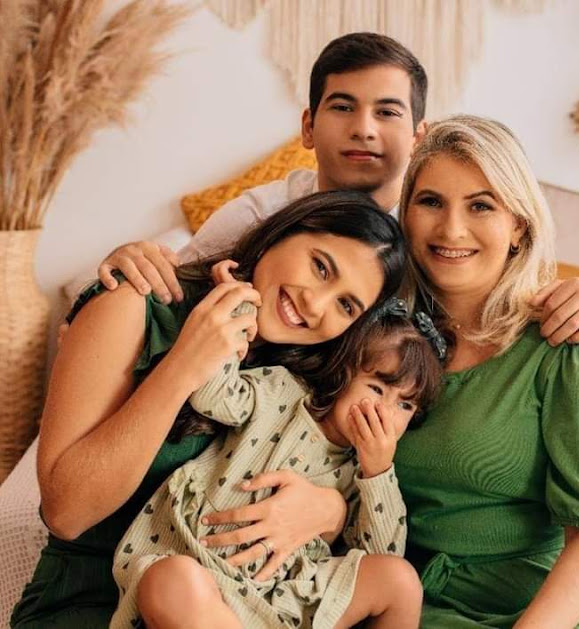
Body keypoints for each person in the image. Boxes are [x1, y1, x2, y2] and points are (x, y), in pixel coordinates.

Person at [11, 191, 407, 628]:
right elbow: (66, 514)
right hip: (93, 603)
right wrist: (185, 365)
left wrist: (330, 511)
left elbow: (349, 537)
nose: (315, 305)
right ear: (284, 231)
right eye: (320, 267)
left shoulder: (303, 378)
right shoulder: (135, 301)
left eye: (345, 305)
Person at [96, 32, 579, 347]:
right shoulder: (262, 213)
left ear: (418, 137)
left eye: (387, 112)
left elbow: (514, 286)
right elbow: (168, 295)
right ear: (308, 127)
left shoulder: (435, 231)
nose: (364, 129)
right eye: (343, 106)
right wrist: (128, 268)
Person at [393, 115, 579, 627]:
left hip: (564, 600)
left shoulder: (568, 336)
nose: (451, 229)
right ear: (405, 216)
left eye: (481, 205)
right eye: (431, 201)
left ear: (518, 225)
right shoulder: (377, 338)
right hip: (430, 603)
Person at [109, 288, 442, 629]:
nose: (385, 412)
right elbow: (211, 395)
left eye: (405, 405)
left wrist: (378, 471)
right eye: (376, 389)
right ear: (343, 374)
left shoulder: (362, 476)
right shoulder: (282, 392)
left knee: (400, 581)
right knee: (168, 580)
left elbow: (383, 554)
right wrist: (237, 306)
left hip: (287, 598)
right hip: (201, 568)